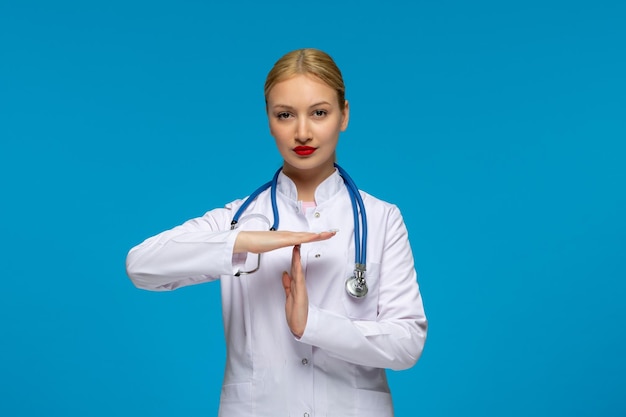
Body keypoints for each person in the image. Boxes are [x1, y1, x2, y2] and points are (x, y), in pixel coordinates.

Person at [126, 48, 427, 417]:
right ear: (269, 121)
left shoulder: (381, 219)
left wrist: (311, 324)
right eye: (285, 115)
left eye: (319, 113)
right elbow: (140, 266)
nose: (302, 132)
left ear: (344, 115)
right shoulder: (238, 219)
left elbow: (407, 344)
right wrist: (241, 242)